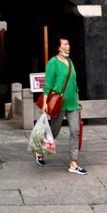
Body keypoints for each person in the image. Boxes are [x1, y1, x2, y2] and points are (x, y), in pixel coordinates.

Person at [36, 35, 87, 175]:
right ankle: (40, 150)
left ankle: (73, 163)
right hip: (59, 104)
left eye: (68, 44)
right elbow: (47, 85)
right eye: (65, 44)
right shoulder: (52, 63)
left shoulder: (70, 62)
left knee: (75, 132)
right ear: (59, 48)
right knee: (54, 131)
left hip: (73, 104)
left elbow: (74, 83)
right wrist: (45, 103)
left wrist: (77, 99)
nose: (68, 46)